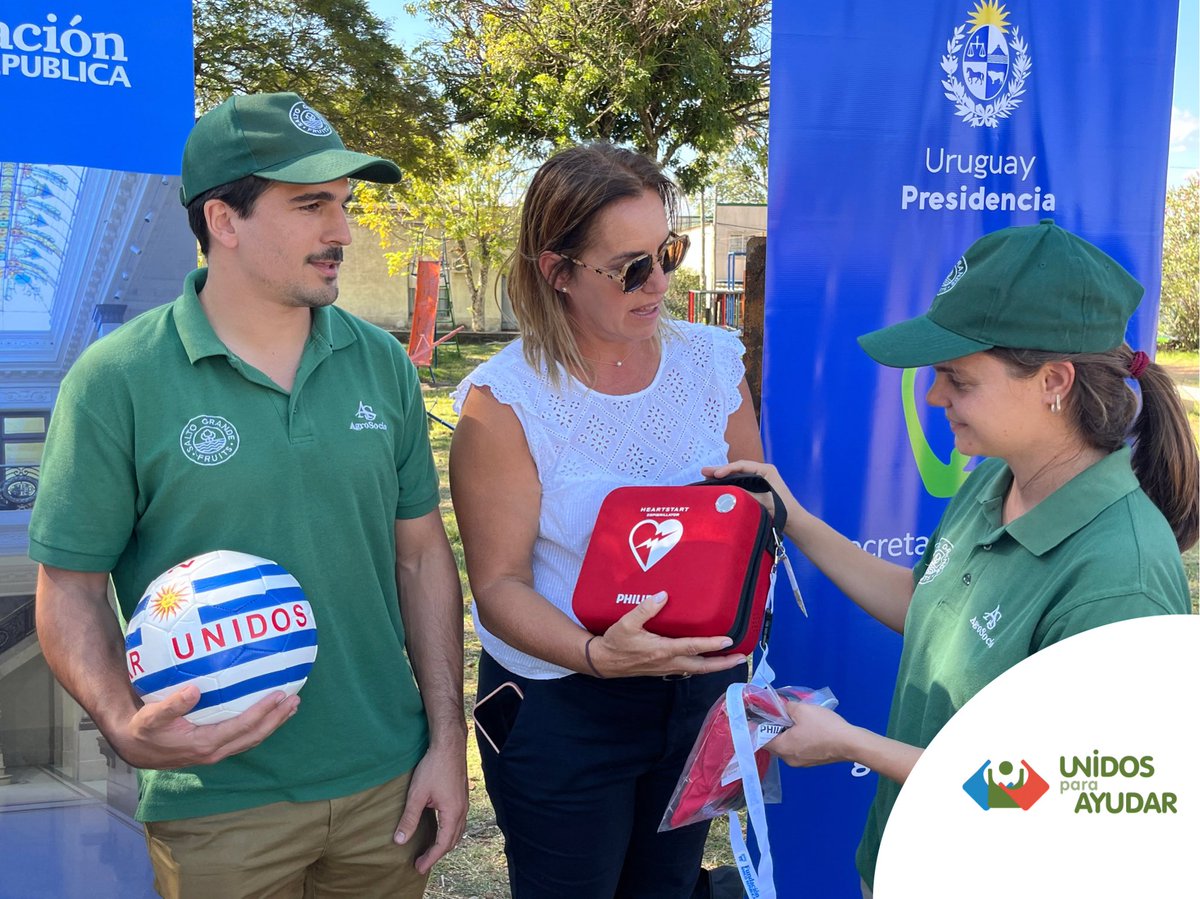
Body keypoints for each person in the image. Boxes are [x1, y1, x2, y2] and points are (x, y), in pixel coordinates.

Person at [29, 92, 467, 898]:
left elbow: (420, 558)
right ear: (222, 220)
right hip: (217, 800)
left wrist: (446, 736)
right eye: (309, 206)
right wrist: (125, 724)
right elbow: (70, 592)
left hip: (385, 786)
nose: (342, 232)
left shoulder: (383, 366)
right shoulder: (116, 380)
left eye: (343, 204)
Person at [705, 219, 1199, 897]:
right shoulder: (996, 479)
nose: (935, 396)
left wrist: (852, 744)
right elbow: (927, 603)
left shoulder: (1121, 575)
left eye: (957, 379)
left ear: (1054, 380)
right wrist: (789, 515)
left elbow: (1051, 789)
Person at [449, 142, 763, 898]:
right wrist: (595, 653)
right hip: (563, 706)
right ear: (556, 270)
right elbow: (497, 585)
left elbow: (753, 509)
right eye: (631, 267)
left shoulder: (714, 362)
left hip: (693, 694)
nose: (660, 282)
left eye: (669, 251)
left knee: (669, 886)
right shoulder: (505, 403)